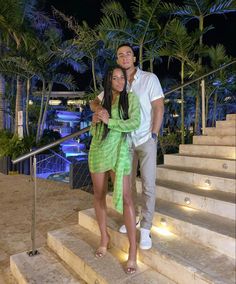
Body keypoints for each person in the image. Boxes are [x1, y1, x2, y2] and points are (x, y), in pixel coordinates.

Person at [91, 43, 164, 250]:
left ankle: (146, 227)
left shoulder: (149, 79)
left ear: (134, 58)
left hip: (144, 139)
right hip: (124, 143)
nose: (124, 57)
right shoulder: (117, 81)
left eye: (128, 54)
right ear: (117, 60)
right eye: (120, 54)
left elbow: (158, 106)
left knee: (148, 185)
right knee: (128, 186)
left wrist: (154, 134)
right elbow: (94, 102)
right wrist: (99, 111)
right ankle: (132, 219)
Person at [89, 65, 141, 274]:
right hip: (98, 149)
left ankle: (133, 249)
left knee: (127, 197)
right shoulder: (102, 101)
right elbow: (96, 128)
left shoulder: (131, 99)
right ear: (109, 81)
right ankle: (104, 237)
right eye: (115, 78)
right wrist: (95, 121)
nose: (120, 81)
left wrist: (110, 121)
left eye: (122, 78)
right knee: (99, 194)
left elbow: (135, 123)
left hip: (119, 150)